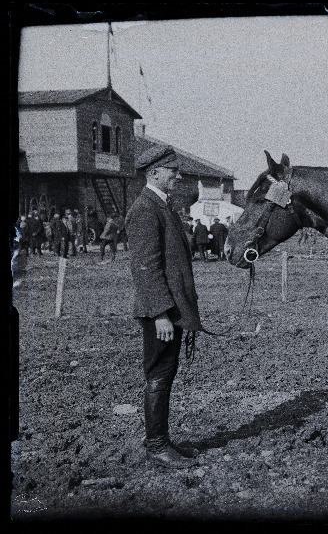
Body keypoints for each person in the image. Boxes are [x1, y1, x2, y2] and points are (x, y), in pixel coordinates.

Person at [126, 146, 202, 469]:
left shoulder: (163, 205)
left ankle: (160, 441)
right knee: (159, 374)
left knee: (165, 373)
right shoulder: (146, 209)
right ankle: (157, 446)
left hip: (169, 310)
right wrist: (160, 314)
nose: (178, 175)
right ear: (155, 173)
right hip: (160, 313)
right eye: (173, 171)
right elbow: (146, 267)